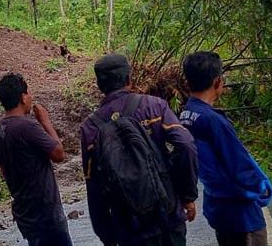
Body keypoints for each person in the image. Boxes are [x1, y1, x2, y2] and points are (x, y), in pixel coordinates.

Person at [80, 54, 199, 246]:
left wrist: (107, 235)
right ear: (129, 78)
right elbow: (186, 145)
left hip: (129, 228)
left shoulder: (90, 128)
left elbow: (94, 186)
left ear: (100, 86)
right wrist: (187, 196)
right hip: (167, 216)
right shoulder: (153, 106)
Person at [179, 51, 272, 246]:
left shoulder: (186, 114)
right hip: (240, 212)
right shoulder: (213, 121)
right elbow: (239, 164)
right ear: (217, 81)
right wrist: (262, 188)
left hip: (217, 205)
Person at [0, 73, 73, 246]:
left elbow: (4, 170)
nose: (31, 97)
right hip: (46, 213)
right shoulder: (27, 126)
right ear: (22, 97)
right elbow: (59, 154)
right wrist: (45, 121)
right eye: (28, 93)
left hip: (25, 214)